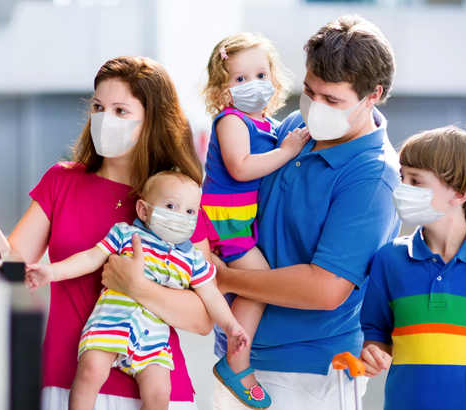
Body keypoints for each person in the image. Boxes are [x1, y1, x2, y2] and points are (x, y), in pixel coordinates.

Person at [0, 56, 214, 409]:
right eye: (99, 107)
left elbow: (202, 318)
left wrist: (137, 286)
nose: (105, 120)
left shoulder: (179, 201)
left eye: (121, 111)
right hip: (69, 384)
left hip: (158, 393)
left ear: (152, 121)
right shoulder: (61, 181)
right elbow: (11, 266)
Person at [198, 15, 402, 410]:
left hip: (309, 375)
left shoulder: (373, 176)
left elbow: (325, 289)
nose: (315, 107)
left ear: (372, 96)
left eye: (332, 100)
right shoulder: (297, 127)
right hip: (238, 361)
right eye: (310, 92)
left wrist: (222, 277)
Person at [25, 169, 251, 410]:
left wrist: (230, 327)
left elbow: (210, 294)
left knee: (160, 391)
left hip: (153, 340)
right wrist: (52, 272)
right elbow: (91, 258)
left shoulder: (193, 260)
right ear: (144, 210)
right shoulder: (126, 234)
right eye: (171, 206)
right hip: (110, 323)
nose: (180, 216)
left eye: (190, 211)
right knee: (90, 370)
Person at [359, 126, 466, 410]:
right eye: (402, 178)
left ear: (461, 192)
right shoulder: (388, 260)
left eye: (416, 180)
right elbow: (375, 335)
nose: (402, 189)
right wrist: (373, 354)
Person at [199, 32, 308, 409]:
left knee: (254, 285)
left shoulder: (262, 122)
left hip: (240, 224)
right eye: (240, 79)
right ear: (223, 89)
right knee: (260, 285)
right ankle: (235, 362)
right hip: (225, 224)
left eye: (261, 75)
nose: (254, 85)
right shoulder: (231, 121)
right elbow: (241, 168)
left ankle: (234, 353)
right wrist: (286, 150)